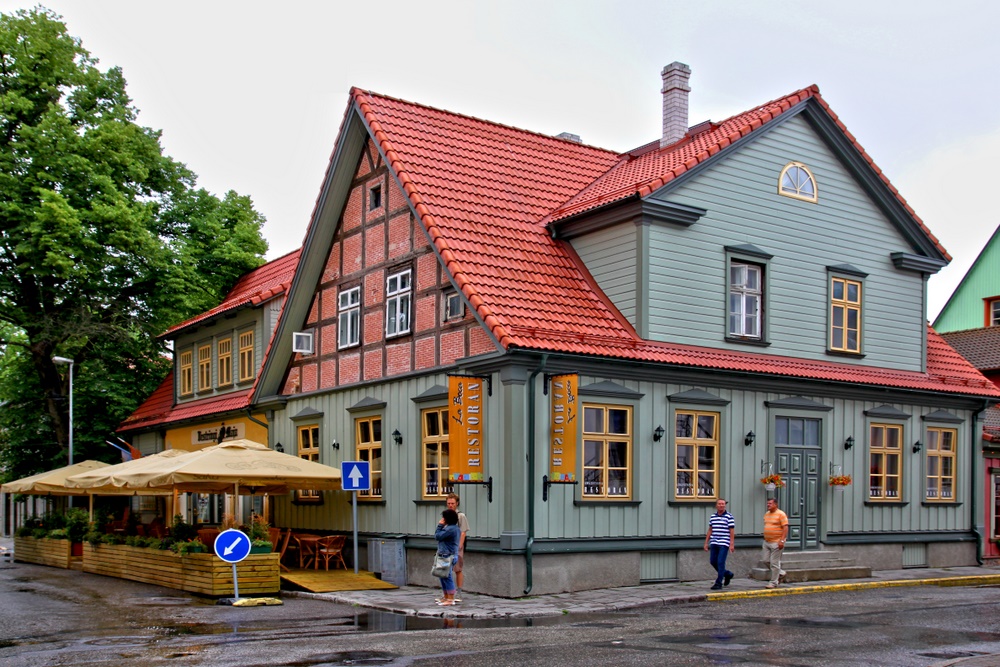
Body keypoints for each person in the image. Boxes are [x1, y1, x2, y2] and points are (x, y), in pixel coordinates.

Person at [703, 498, 735, 590]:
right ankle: (727, 574)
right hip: (714, 541)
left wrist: (731, 544)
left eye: (723, 504)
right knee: (713, 561)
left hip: (724, 542)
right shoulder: (713, 516)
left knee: (720, 562)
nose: (721, 505)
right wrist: (706, 542)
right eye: (719, 504)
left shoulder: (729, 516)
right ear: (716, 505)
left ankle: (718, 582)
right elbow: (710, 530)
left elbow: (731, 531)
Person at [434, 508, 461, 606]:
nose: (442, 519)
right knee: (442, 576)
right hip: (446, 555)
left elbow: (437, 536)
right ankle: (446, 597)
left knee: (447, 576)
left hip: (447, 556)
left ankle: (450, 599)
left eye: (444, 518)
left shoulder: (450, 529)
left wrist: (440, 525)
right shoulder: (454, 528)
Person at [446, 492, 469, 600]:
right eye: (449, 503)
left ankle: (459, 591)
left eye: (452, 503)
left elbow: (463, 532)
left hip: (456, 546)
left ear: (457, 504)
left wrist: (459, 546)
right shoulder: (446, 516)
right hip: (447, 546)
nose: (450, 505)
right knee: (446, 569)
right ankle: (448, 592)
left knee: (458, 568)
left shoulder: (461, 516)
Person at [762, 497, 789, 589]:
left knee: (774, 563)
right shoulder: (767, 514)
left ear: (775, 504)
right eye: (767, 503)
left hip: (776, 542)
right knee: (765, 560)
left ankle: (773, 582)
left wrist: (782, 540)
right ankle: (781, 573)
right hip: (767, 541)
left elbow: (785, 527)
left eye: (770, 503)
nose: (768, 505)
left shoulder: (781, 514)